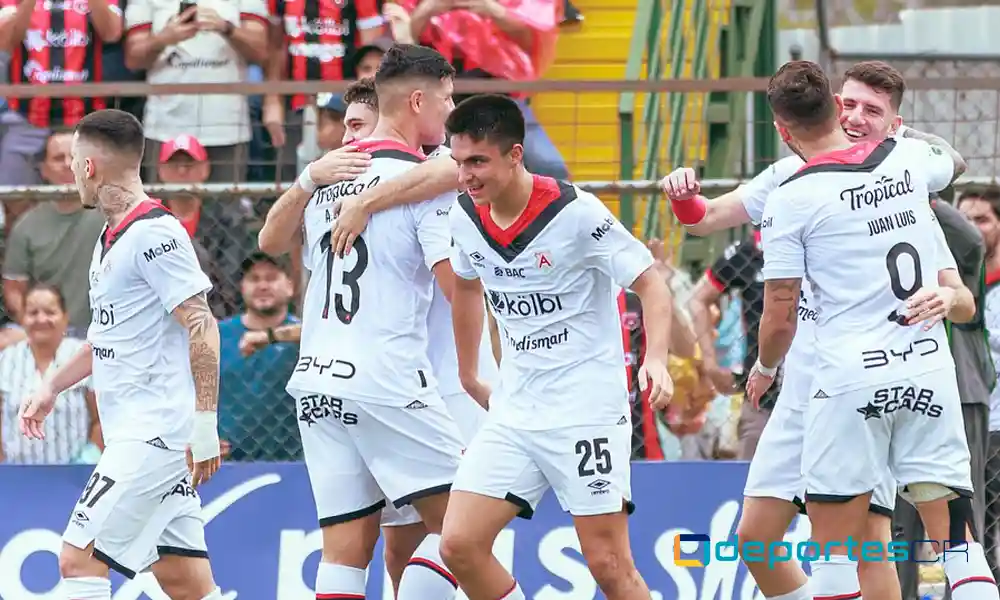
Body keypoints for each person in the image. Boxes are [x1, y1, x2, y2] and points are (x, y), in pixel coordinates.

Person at [661, 60, 967, 600]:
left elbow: (953, 166)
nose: (855, 117)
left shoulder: (899, 172)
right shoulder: (787, 179)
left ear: (895, 124)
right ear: (831, 105)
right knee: (755, 539)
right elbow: (702, 217)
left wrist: (901, 141)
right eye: (848, 103)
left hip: (853, 381)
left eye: (873, 111)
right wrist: (683, 192)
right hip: (803, 386)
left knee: (867, 539)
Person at [747, 60, 994, 600]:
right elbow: (949, 160)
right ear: (837, 108)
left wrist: (765, 367)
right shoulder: (906, 163)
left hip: (849, 383)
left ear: (782, 131)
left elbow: (780, 311)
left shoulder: (791, 198)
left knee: (838, 555)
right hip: (926, 374)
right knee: (959, 548)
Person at [439, 94, 673, 600]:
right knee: (459, 544)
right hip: (515, 410)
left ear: (515, 154)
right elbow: (465, 285)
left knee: (609, 565)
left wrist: (656, 358)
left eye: (477, 161)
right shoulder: (463, 216)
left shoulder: (576, 212)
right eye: (458, 163)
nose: (465, 177)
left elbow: (651, 282)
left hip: (585, 410)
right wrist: (467, 373)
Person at [260, 43, 466, 600]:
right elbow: (456, 289)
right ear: (418, 101)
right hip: (389, 379)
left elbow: (272, 242)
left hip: (318, 381)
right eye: (446, 99)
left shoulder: (332, 178)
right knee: (471, 524)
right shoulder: (427, 183)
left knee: (345, 553)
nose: (452, 112)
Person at [16, 109, 224, 600]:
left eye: (72, 161)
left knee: (78, 556)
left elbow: (201, 323)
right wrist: (51, 386)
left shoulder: (156, 232)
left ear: (90, 167)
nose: (70, 172)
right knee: (184, 579)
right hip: (138, 434)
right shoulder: (110, 237)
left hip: (152, 436)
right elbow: (108, 338)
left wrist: (206, 421)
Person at [0, 283, 100, 464]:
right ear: (22, 318)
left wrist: (88, 462)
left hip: (74, 475)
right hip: (15, 476)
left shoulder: (83, 356)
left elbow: (99, 419)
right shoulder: (5, 359)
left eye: (50, 312)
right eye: (33, 313)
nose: (41, 319)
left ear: (65, 317)